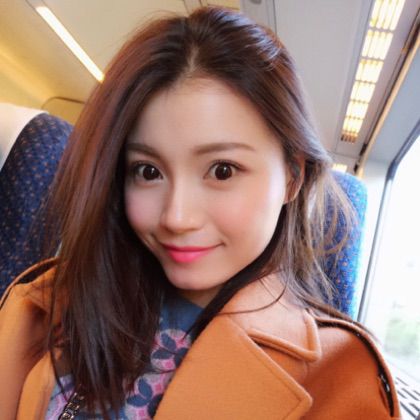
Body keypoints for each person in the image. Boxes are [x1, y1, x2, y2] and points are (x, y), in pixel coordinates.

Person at [0, 6, 400, 420]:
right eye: (148, 171)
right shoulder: (40, 305)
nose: (176, 217)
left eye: (222, 171)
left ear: (291, 177)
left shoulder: (340, 377)